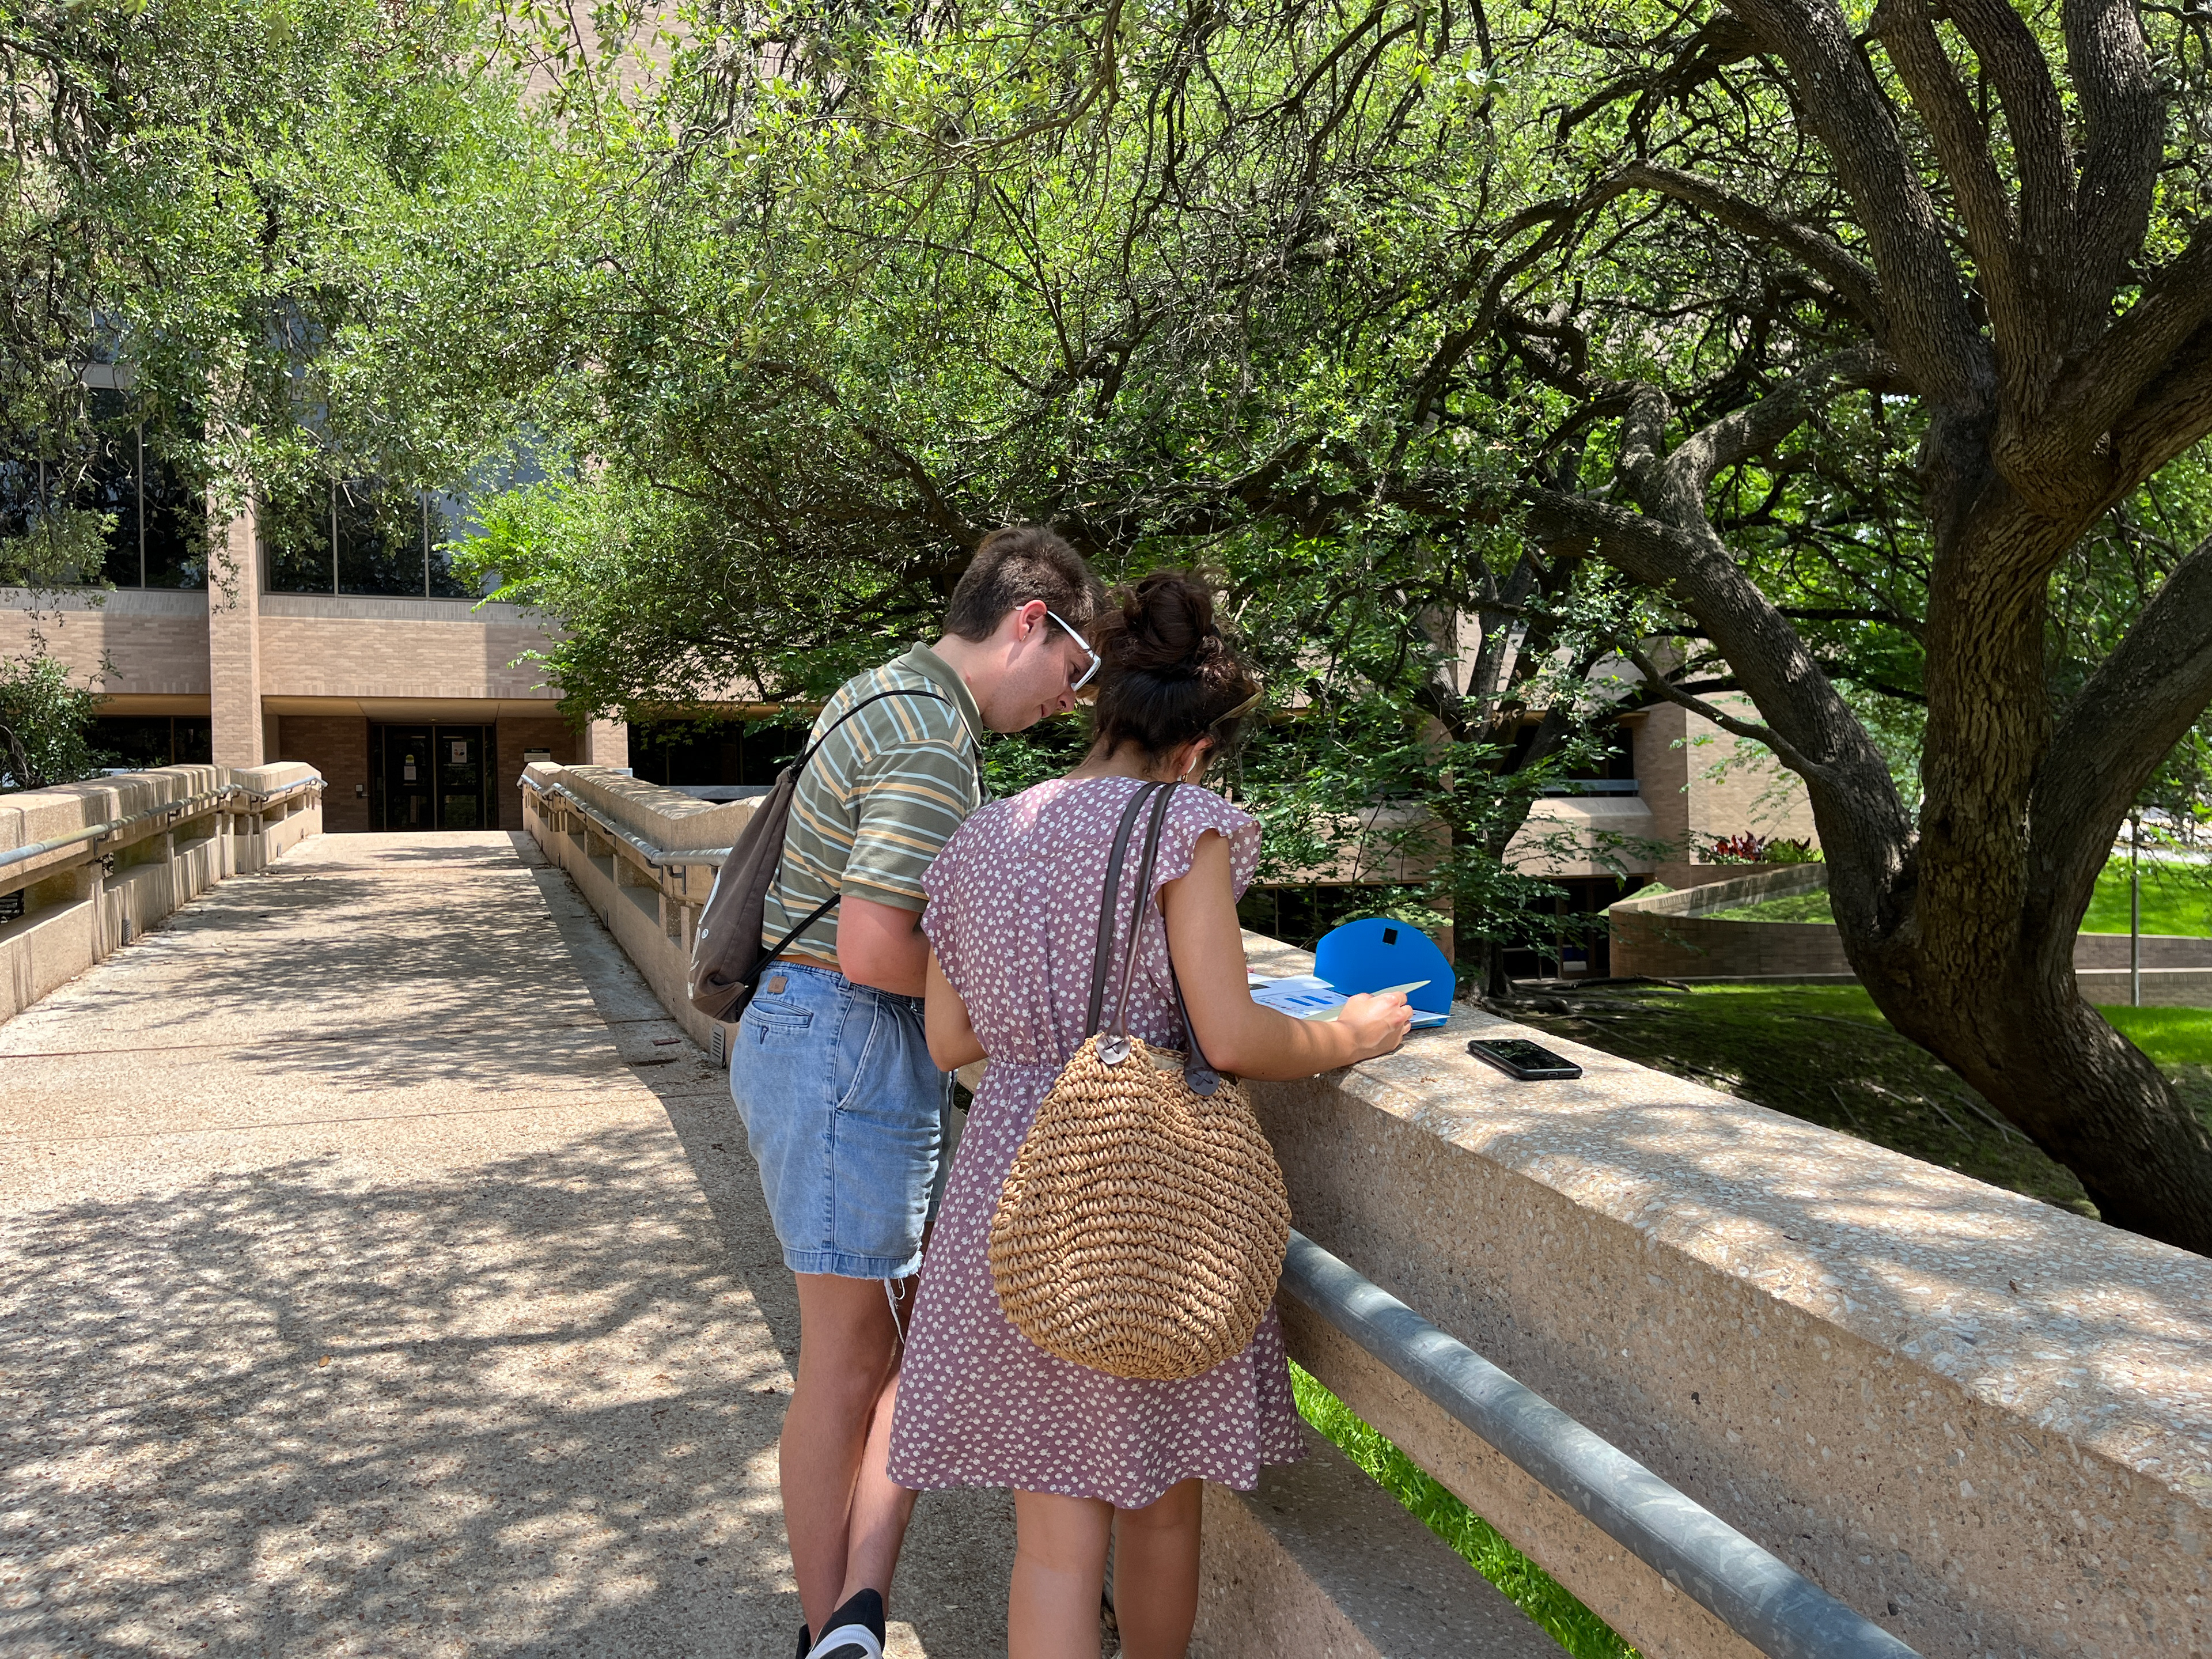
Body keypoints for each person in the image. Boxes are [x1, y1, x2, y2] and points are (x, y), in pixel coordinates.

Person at [887, 570, 1414, 1658]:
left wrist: (1050, 1028)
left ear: (1101, 703)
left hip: (1014, 1189)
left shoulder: (980, 838)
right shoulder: (1187, 824)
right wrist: (1354, 1034)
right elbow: (1230, 1037)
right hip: (1144, 1192)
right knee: (1162, 1505)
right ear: (1197, 746)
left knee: (1053, 1538)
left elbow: (951, 1042)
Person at [730, 525, 1105, 1659]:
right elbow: (874, 948)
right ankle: (830, 1633)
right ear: (1030, 622)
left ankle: (849, 1615)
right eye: (1075, 672)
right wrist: (1033, 1023)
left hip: (819, 1043)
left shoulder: (880, 691)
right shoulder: (933, 735)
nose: (1072, 701)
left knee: (885, 1349)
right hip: (844, 1041)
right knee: (849, 1357)